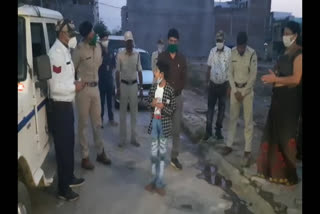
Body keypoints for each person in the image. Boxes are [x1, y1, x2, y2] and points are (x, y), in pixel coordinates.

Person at [257, 21, 302, 185]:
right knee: (274, 136)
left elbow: (296, 79)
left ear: (295, 35)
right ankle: (274, 173)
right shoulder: (284, 53)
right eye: (283, 33)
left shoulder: (299, 55)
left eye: (288, 33)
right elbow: (279, 73)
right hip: (278, 100)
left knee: (286, 138)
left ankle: (289, 177)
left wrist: (275, 78)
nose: (285, 36)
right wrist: (273, 77)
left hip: (290, 104)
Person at [48, 19, 85, 201]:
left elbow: (66, 77)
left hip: (67, 106)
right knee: (63, 149)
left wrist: (74, 84)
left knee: (69, 145)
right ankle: (63, 189)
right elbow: (54, 87)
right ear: (63, 34)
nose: (73, 38)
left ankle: (69, 177)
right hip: (60, 107)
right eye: (71, 34)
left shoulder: (65, 51)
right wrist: (74, 87)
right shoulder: (55, 54)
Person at [72, 21, 111, 170]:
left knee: (97, 123)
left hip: (96, 89)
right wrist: (76, 83)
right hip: (83, 91)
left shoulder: (99, 48)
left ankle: (100, 153)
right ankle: (85, 156)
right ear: (86, 35)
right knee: (83, 125)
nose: (94, 35)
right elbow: (71, 69)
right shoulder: (79, 50)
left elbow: (100, 64)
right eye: (92, 33)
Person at [223, 32, 257, 168]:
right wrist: (235, 90)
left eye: (242, 47)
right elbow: (229, 73)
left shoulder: (252, 54)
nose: (241, 50)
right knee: (232, 118)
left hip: (247, 92)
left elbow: (253, 76)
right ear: (237, 45)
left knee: (248, 121)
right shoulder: (232, 53)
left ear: (245, 44)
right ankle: (229, 144)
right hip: (235, 90)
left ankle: (247, 151)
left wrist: (243, 92)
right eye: (239, 47)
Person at [145, 60, 176, 196]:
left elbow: (173, 108)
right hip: (155, 124)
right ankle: (152, 181)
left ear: (162, 74)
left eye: (156, 71)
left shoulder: (169, 90)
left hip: (164, 125)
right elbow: (147, 103)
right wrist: (152, 104)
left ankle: (160, 183)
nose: (154, 73)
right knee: (153, 154)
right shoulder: (153, 88)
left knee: (162, 155)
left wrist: (164, 107)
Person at [158, 28, 187, 170]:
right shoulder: (162, 57)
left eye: (175, 41)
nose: (173, 43)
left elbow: (184, 78)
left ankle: (174, 157)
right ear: (168, 40)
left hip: (177, 97)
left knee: (176, 129)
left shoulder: (182, 58)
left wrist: (176, 91)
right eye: (171, 41)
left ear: (178, 42)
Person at [115, 31, 143, 148]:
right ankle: (122, 139)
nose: (129, 44)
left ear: (133, 42)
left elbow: (140, 71)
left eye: (131, 41)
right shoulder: (120, 55)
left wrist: (141, 88)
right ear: (125, 42)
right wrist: (118, 88)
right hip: (123, 85)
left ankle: (134, 138)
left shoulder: (137, 55)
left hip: (134, 86)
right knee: (122, 113)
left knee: (134, 114)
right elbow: (117, 72)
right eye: (127, 42)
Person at [203, 30, 231, 141]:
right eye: (217, 40)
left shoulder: (229, 52)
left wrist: (229, 87)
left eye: (220, 40)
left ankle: (218, 131)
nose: (219, 42)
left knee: (222, 110)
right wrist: (206, 82)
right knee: (210, 109)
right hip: (213, 85)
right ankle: (208, 132)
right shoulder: (212, 51)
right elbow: (209, 67)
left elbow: (230, 70)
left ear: (224, 41)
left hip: (224, 85)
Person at [98, 31, 118, 128]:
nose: (105, 41)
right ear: (100, 40)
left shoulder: (111, 50)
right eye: (104, 39)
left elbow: (114, 66)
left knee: (110, 102)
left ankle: (111, 119)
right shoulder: (98, 50)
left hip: (109, 80)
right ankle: (100, 120)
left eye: (107, 39)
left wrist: (113, 80)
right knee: (101, 102)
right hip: (101, 80)